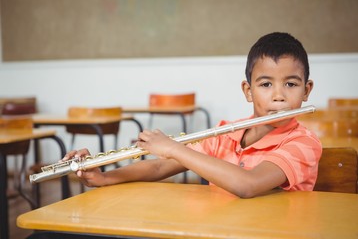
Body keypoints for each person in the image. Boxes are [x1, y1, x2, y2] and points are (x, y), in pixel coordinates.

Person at [62, 32, 322, 198]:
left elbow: (248, 185)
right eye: (266, 84)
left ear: (306, 90)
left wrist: (174, 148)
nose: (279, 96)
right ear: (248, 91)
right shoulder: (227, 133)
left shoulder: (303, 143)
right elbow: (159, 165)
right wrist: (105, 177)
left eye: (291, 84)